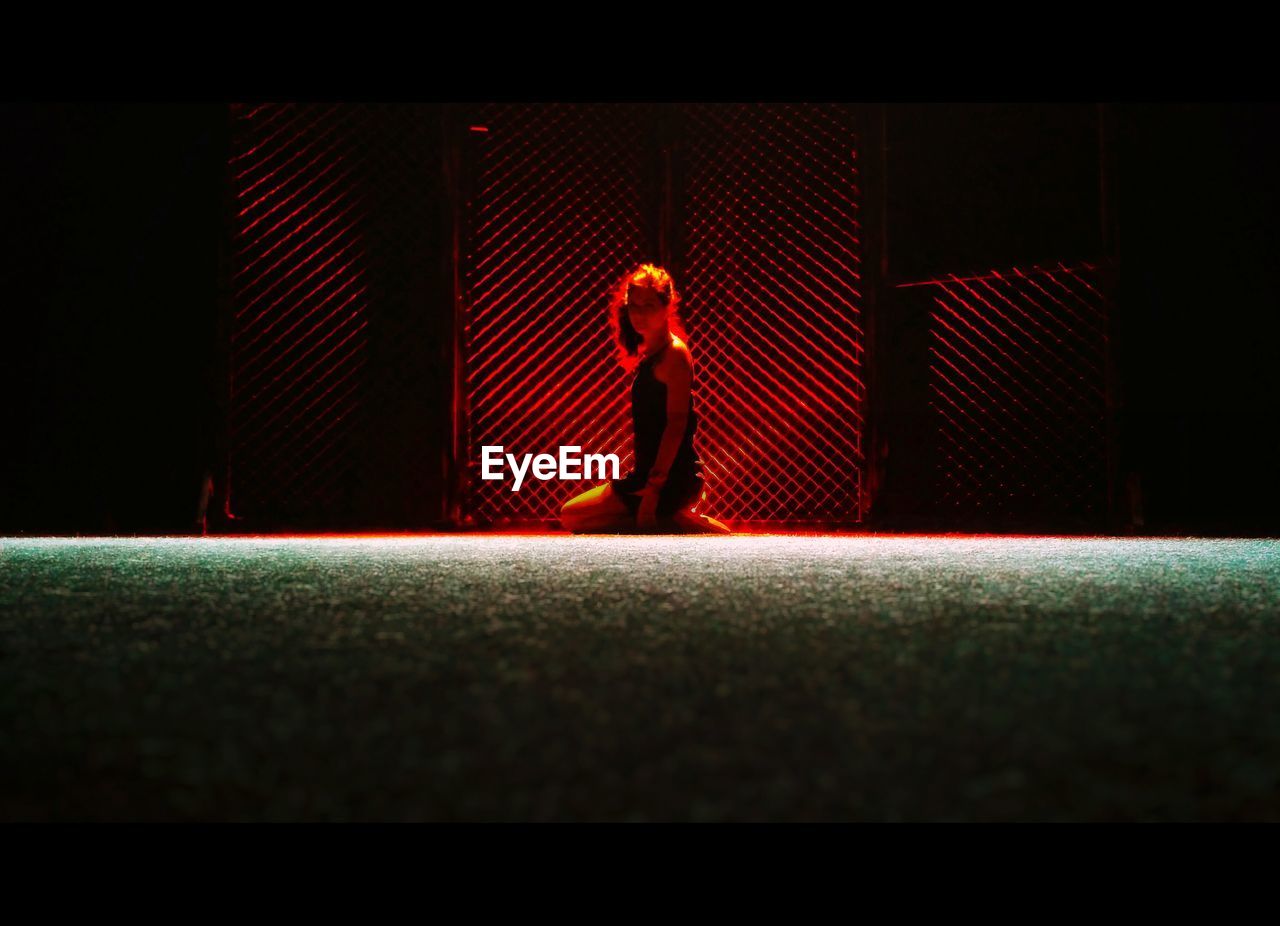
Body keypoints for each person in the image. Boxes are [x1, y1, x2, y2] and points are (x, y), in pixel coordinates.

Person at [559, 264, 732, 534]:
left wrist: (652, 492)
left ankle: (677, 520)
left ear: (667, 306)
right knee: (573, 517)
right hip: (645, 474)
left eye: (649, 305)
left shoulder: (675, 354)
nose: (639, 314)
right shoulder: (651, 351)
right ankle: (672, 521)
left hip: (671, 478)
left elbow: (676, 425)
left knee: (573, 518)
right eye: (634, 306)